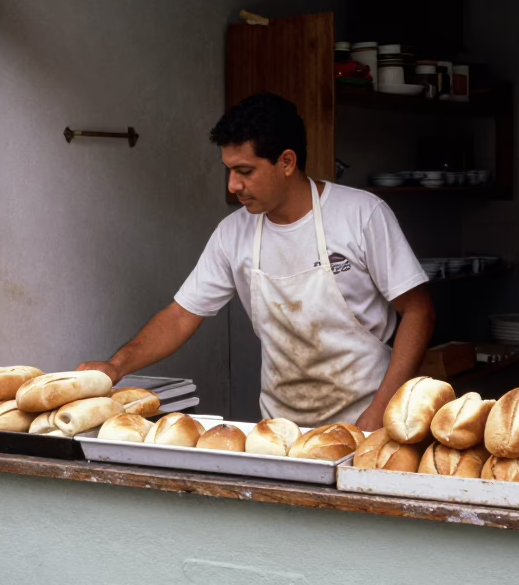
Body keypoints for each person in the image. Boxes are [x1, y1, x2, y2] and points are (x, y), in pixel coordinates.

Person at [78, 92, 435, 430]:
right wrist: (116, 365)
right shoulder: (233, 233)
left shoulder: (361, 214)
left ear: (286, 162)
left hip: (369, 417)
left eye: (245, 171)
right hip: (280, 429)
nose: (232, 184)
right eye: (228, 170)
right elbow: (180, 315)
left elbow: (418, 312)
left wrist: (380, 410)